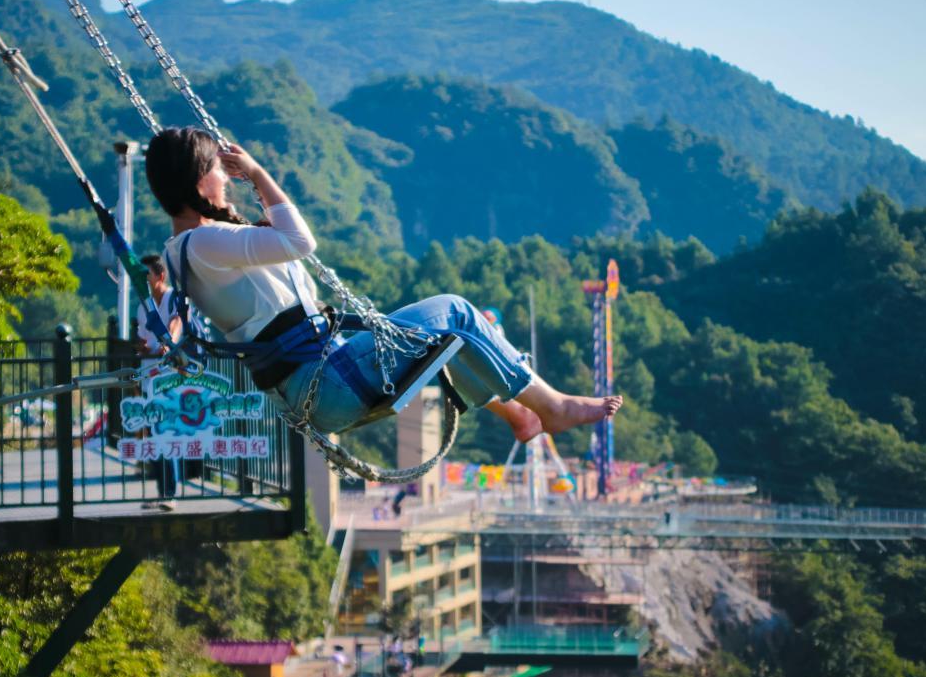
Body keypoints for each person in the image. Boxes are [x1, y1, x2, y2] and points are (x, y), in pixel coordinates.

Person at [144, 127, 622, 445]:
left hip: (316, 383)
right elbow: (299, 240)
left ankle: (520, 414)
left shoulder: (180, 250)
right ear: (199, 180)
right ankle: (552, 407)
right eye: (218, 171)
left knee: (444, 336)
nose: (225, 179)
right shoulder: (206, 241)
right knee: (455, 312)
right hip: (326, 382)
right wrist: (258, 173)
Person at [135, 254, 183, 511]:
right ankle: (162, 492)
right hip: (149, 376)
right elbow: (143, 339)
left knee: (165, 432)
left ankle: (170, 493)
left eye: (147, 275)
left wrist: (169, 343)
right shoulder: (142, 307)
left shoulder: (173, 298)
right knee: (153, 436)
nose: (143, 280)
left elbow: (177, 322)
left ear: (160, 276)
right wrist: (142, 347)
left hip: (169, 377)